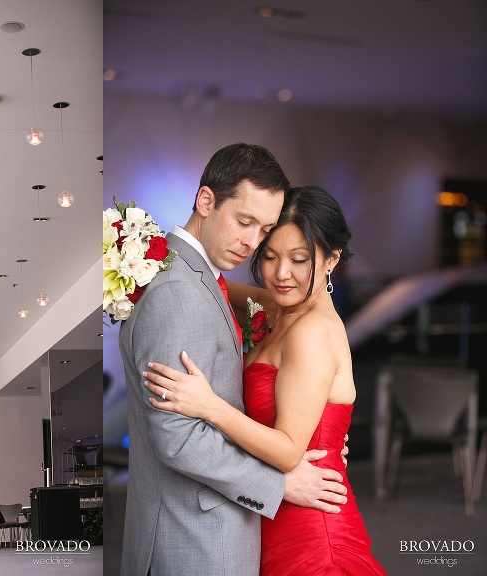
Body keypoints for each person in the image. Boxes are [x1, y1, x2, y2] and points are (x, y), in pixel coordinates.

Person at [118, 144, 348, 576]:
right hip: (193, 538)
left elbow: (275, 303)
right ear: (206, 201)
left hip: (217, 531)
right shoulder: (178, 293)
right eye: (244, 222)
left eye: (264, 230)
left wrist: (326, 437)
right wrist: (279, 483)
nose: (252, 243)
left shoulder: (197, 277)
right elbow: (179, 439)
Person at [144, 185, 386, 575]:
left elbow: (291, 452)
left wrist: (210, 406)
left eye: (299, 259)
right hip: (273, 516)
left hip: (311, 531)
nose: (281, 273)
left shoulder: (313, 332)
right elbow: (204, 282)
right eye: (269, 257)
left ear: (332, 259)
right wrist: (136, 251)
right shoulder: (277, 306)